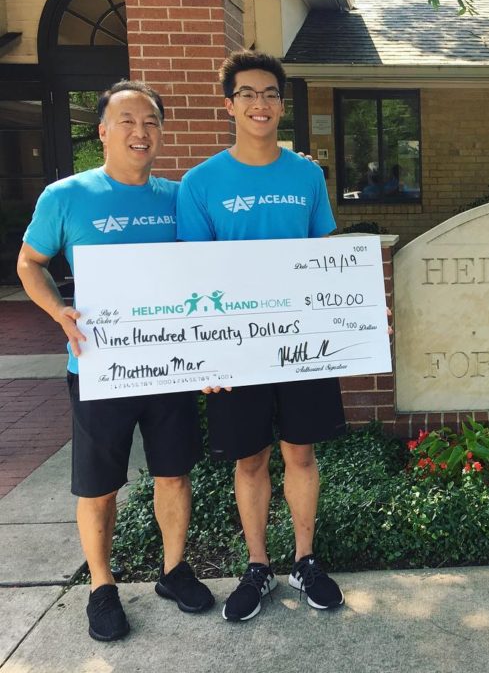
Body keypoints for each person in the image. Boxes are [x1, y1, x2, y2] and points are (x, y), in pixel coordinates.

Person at [17, 81, 214, 642]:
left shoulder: (179, 197)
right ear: (102, 131)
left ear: (161, 133)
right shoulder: (66, 195)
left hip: (169, 367)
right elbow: (30, 263)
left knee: (173, 472)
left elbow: (210, 270)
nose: (140, 132)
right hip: (99, 366)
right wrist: (58, 311)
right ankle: (101, 586)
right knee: (99, 484)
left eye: (150, 122)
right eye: (127, 121)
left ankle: (174, 571)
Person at [176, 50, 346, 622]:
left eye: (270, 94)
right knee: (249, 459)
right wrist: (203, 356)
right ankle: (258, 566)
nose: (260, 103)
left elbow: (325, 258)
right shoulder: (200, 182)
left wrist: (356, 317)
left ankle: (305, 561)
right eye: (247, 94)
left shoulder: (307, 175)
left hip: (301, 343)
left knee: (301, 451)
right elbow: (194, 277)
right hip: (236, 349)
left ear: (281, 104)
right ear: (229, 105)